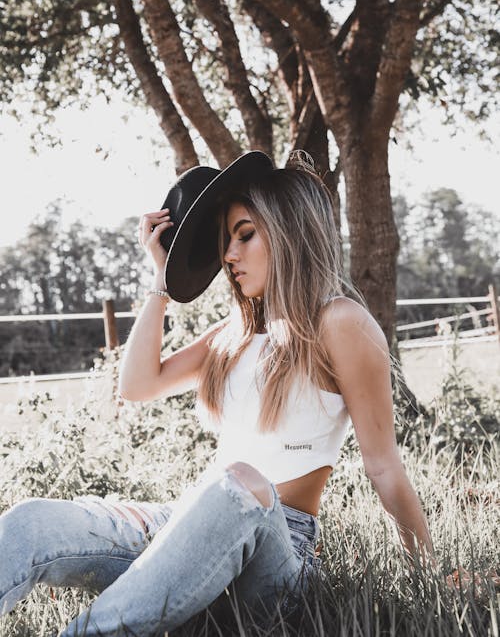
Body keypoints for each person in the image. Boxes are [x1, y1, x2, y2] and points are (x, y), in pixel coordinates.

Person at [0, 150, 433, 635]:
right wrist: (160, 283)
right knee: (29, 521)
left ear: (289, 232)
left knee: (240, 483)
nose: (230, 256)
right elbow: (138, 385)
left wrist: (428, 578)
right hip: (185, 522)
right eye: (227, 241)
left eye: (245, 235)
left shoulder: (340, 322)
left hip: (277, 547)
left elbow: (384, 465)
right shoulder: (236, 335)